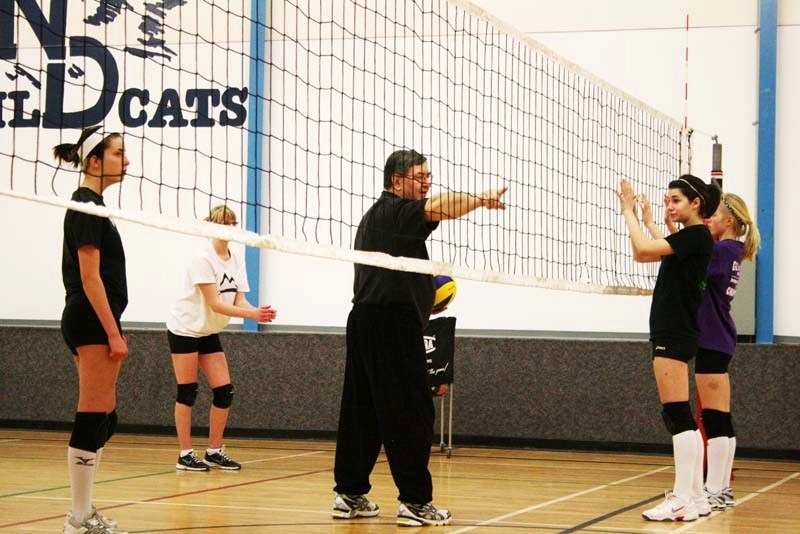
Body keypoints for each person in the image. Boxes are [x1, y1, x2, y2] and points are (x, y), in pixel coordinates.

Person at [332, 149, 508, 527]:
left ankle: (349, 493)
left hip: (367, 320)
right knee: (411, 410)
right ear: (397, 181)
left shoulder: (379, 218)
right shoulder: (396, 212)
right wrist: (479, 200)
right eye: (420, 175)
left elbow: (394, 278)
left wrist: (422, 301)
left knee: (363, 411)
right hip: (389, 326)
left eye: (429, 174)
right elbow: (440, 206)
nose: (427, 181)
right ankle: (414, 502)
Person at [617, 174, 720, 522]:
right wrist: (647, 221)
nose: (670, 205)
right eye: (668, 199)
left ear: (696, 204)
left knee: (677, 415)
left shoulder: (696, 234)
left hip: (673, 331)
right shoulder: (692, 238)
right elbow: (659, 254)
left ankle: (681, 499)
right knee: (681, 415)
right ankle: (695, 497)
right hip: (678, 330)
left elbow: (643, 250)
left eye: (676, 200)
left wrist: (627, 211)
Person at [55, 126, 131, 534]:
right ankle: (78, 518)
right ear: (94, 161)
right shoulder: (85, 205)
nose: (127, 160)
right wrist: (112, 333)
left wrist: (114, 327)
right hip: (89, 319)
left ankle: (85, 512)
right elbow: (90, 278)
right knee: (91, 415)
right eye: (118, 153)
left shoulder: (96, 206)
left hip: (96, 320)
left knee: (105, 416)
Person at [167, 205, 277, 471]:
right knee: (187, 391)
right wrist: (251, 316)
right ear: (212, 225)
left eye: (232, 222)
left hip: (207, 330)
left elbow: (239, 298)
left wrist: (256, 311)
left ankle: (214, 450)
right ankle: (185, 454)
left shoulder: (235, 258)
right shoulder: (202, 258)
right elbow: (216, 303)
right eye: (224, 222)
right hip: (185, 328)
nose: (229, 226)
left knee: (224, 391)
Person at [695, 193, 759, 510]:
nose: (709, 220)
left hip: (711, 338)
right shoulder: (732, 250)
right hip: (719, 338)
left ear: (729, 221)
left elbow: (688, 269)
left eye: (714, 215)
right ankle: (721, 490)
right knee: (720, 417)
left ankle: (716, 489)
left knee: (714, 417)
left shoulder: (721, 250)